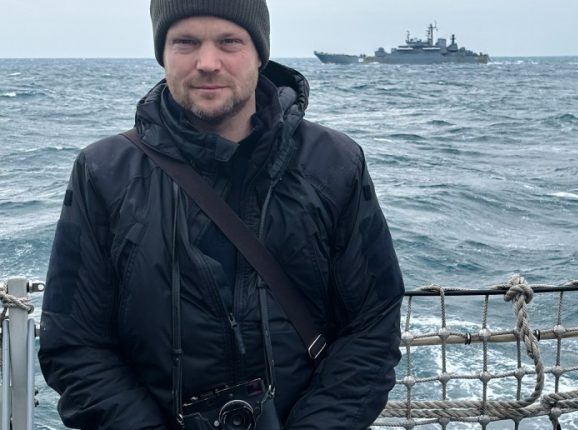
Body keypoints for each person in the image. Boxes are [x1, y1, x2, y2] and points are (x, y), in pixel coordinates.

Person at [38, 0, 405, 428]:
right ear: (163, 54)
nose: (207, 62)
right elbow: (74, 343)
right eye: (185, 43)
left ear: (259, 52)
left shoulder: (335, 163)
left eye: (229, 41)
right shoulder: (102, 172)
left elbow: (371, 327)